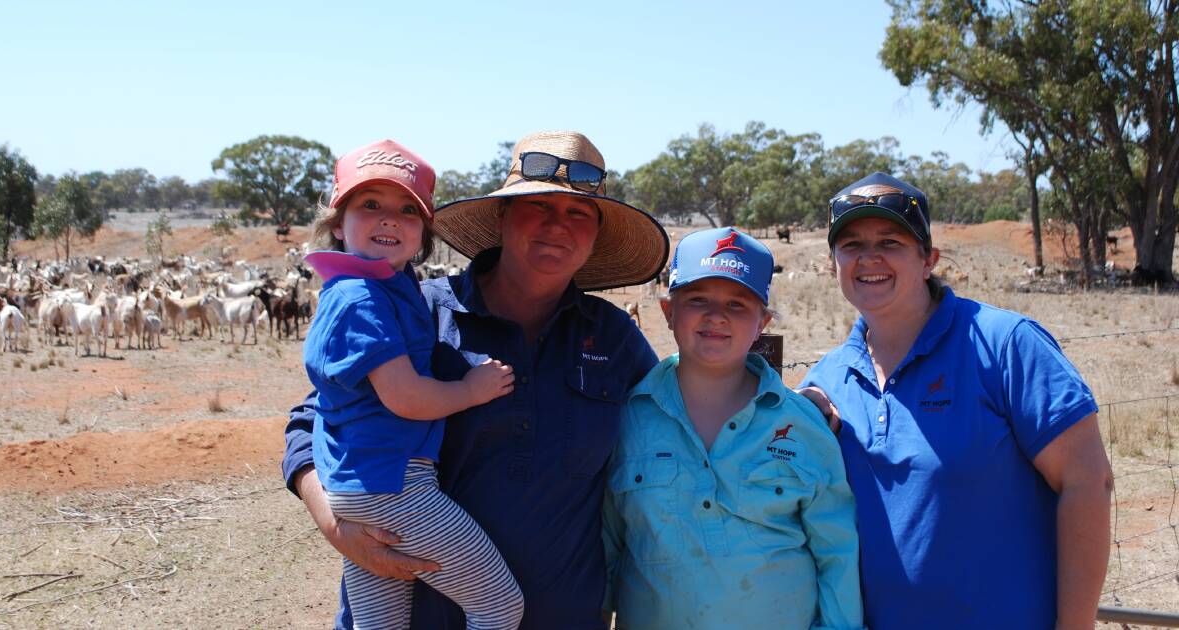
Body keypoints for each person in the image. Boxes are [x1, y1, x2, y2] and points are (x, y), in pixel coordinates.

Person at [282, 130, 671, 629]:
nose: (558, 226)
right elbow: (310, 420)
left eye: (578, 214)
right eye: (539, 207)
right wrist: (335, 522)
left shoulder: (613, 339)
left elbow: (675, 424)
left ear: (595, 236)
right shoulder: (421, 314)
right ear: (503, 218)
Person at [798, 172, 1112, 629]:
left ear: (928, 259)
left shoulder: (1004, 346)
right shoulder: (826, 381)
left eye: (890, 242)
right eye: (851, 245)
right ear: (833, 264)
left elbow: (1087, 483)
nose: (869, 259)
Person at [301, 139, 523, 629]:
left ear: (423, 234)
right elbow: (403, 396)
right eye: (370, 205)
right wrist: (472, 389)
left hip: (358, 484)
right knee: (499, 605)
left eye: (408, 210)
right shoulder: (363, 300)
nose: (389, 219)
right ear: (338, 224)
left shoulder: (378, 289)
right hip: (396, 486)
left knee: (381, 624)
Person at [602, 227, 864, 630]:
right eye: (698, 300)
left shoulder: (802, 424)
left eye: (738, 304)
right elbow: (609, 546)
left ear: (763, 322)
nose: (716, 316)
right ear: (669, 312)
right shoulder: (629, 418)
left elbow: (837, 553)